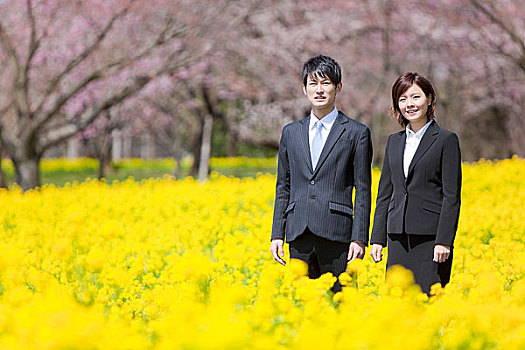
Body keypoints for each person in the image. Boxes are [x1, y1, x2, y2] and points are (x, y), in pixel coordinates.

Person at [270, 55, 373, 293]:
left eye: (325, 83)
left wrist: (359, 238)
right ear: (304, 88)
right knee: (301, 306)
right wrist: (277, 233)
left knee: (341, 304)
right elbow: (283, 186)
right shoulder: (290, 133)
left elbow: (363, 190)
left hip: (338, 234)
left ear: (338, 87)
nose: (319, 90)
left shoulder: (357, 133)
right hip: (298, 234)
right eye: (313, 83)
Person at [370, 72, 462, 295]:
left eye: (415, 97)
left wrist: (444, 241)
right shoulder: (393, 141)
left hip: (430, 240)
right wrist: (377, 239)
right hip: (396, 238)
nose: (409, 104)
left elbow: (452, 196)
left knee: (428, 303)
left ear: (429, 99)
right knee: (397, 306)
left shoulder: (445, 140)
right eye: (402, 99)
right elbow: (385, 194)